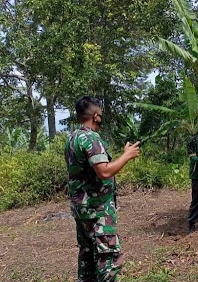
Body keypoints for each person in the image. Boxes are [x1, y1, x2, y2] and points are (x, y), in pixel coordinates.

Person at [65, 96, 140, 281]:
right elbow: (104, 172)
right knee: (107, 261)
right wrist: (127, 155)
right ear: (96, 116)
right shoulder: (91, 138)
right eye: (101, 115)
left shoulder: (72, 138)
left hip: (81, 210)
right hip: (97, 210)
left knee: (87, 260)